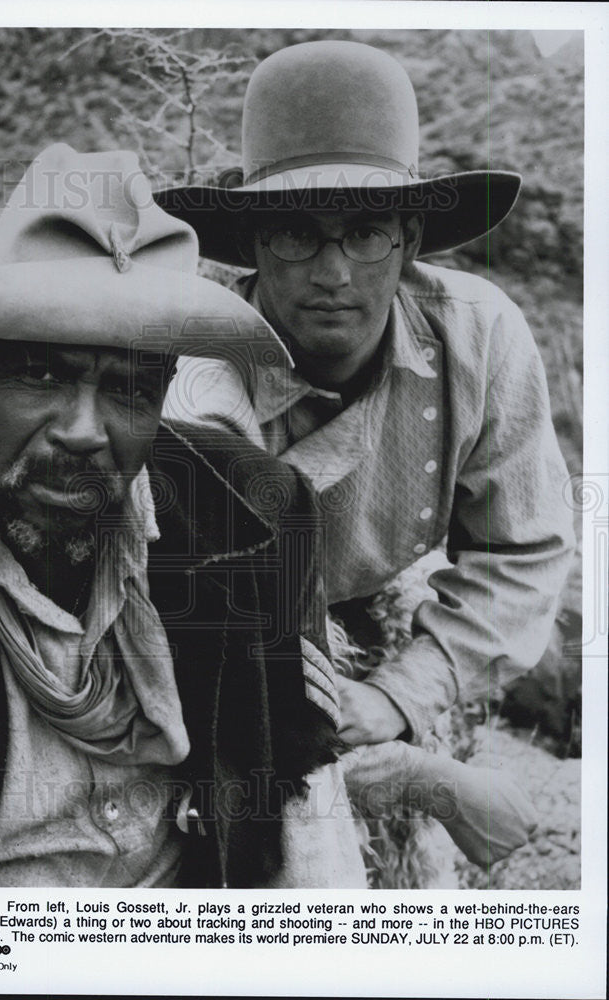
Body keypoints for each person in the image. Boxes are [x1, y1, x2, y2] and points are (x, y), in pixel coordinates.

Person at [0, 143, 368, 888]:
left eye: (127, 387)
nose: (84, 430)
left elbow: (302, 798)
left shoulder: (254, 510)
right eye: (40, 373)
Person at [157, 41, 573, 876]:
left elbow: (522, 550)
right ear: (251, 242)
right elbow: (218, 648)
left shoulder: (478, 333)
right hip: (229, 648)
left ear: (410, 236)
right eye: (296, 235)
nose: (333, 272)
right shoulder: (195, 382)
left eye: (366, 232)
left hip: (382, 623)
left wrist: (400, 695)